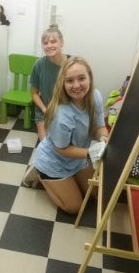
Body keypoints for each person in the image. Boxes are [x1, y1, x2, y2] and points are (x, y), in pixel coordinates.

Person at [26, 56, 108, 214]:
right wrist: (92, 153)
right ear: (62, 84)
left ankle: (67, 179)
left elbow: (99, 126)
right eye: (70, 81)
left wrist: (103, 137)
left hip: (76, 158)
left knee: (94, 194)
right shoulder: (61, 113)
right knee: (74, 207)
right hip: (54, 160)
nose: (76, 85)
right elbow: (61, 149)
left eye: (81, 78)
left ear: (89, 77)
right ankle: (40, 174)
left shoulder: (95, 97)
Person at [30, 23, 69, 141]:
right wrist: (44, 109)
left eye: (53, 41)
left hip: (66, 111)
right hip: (44, 111)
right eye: (45, 43)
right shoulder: (39, 65)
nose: (49, 45)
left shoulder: (71, 65)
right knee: (46, 145)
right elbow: (34, 94)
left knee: (64, 143)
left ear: (61, 42)